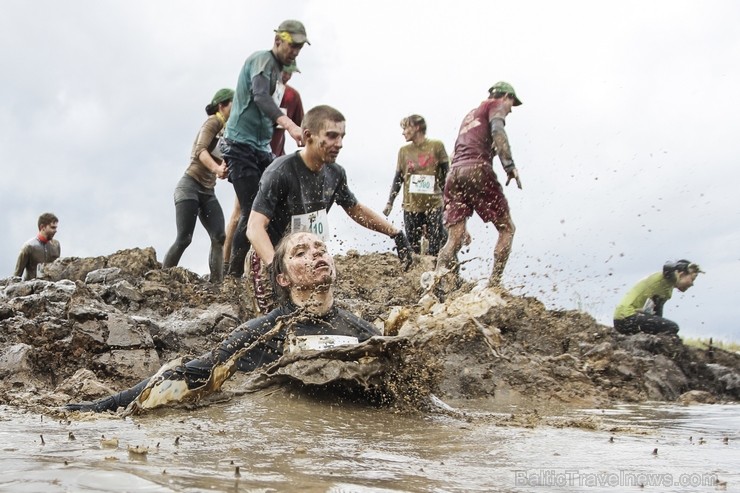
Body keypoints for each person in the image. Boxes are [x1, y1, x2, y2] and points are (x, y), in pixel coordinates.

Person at [66, 232, 381, 413]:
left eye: (321, 249)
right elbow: (192, 372)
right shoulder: (263, 333)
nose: (317, 255)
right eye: (301, 252)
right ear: (283, 278)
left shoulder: (362, 332)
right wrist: (99, 408)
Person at [246, 105, 413, 313]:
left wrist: (395, 233)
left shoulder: (335, 173)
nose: (340, 144)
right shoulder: (280, 171)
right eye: (332, 136)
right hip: (270, 258)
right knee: (276, 321)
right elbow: (254, 227)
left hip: (310, 256)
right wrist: (275, 267)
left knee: (316, 315)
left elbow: (356, 209)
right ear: (309, 136)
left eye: (342, 137)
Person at [220, 20, 309, 278]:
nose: (294, 52)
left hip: (261, 150)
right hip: (239, 145)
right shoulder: (262, 61)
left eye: (299, 48)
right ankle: (232, 279)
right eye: (292, 46)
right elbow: (259, 96)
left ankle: (271, 269)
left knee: (277, 207)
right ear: (278, 40)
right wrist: (290, 125)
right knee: (251, 211)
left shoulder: (281, 78)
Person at [433, 81, 523, 291]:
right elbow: (499, 131)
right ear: (506, 97)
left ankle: (432, 285)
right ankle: (494, 286)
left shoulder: (470, 116)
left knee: (454, 239)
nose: (509, 110)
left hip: (454, 174)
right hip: (476, 169)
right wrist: (509, 165)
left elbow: (458, 150)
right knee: (507, 228)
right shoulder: (495, 105)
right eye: (512, 104)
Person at [162, 88, 233, 283]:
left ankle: (217, 285)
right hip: (189, 186)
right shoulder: (212, 122)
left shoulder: (228, 130)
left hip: (208, 190)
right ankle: (161, 278)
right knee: (184, 238)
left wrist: (225, 169)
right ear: (222, 105)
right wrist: (217, 169)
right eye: (234, 105)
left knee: (219, 236)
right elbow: (200, 150)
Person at [382, 114, 449, 256]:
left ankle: (437, 273)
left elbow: (446, 175)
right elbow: (398, 178)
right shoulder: (404, 151)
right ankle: (415, 275)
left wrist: (450, 200)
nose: (403, 132)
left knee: (435, 248)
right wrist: (390, 202)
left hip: (434, 204)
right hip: (411, 206)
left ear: (416, 127)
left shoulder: (436, 146)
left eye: (406, 128)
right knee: (413, 248)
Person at [613, 260, 704, 335]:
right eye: (692, 279)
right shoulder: (669, 278)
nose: (692, 284)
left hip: (624, 320)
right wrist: (685, 266)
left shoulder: (667, 289)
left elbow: (657, 315)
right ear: (681, 274)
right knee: (672, 327)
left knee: (665, 327)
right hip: (627, 317)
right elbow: (668, 266)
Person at [14, 212, 61, 280]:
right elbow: (16, 276)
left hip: (51, 288)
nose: (55, 231)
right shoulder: (28, 247)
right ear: (42, 227)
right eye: (52, 227)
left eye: (56, 228)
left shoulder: (56, 245)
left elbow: (58, 270)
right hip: (31, 288)